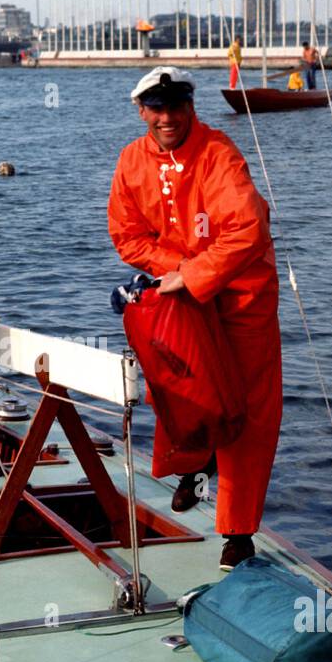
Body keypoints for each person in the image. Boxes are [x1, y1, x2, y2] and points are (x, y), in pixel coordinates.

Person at [107, 67, 283, 572]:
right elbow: (126, 236)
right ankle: (193, 466)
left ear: (190, 105)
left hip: (242, 300)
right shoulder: (131, 160)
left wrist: (194, 274)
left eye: (176, 105)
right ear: (142, 111)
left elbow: (249, 230)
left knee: (250, 415)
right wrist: (177, 273)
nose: (167, 117)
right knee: (180, 390)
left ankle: (237, 532)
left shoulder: (218, 153)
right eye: (156, 108)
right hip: (181, 294)